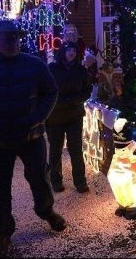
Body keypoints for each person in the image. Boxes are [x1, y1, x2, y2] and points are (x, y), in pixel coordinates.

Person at [0, 20, 65, 259]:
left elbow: (51, 91)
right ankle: (3, 233)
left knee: (40, 178)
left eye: (16, 37)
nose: (12, 41)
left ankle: (46, 211)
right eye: (6, 37)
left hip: (31, 136)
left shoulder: (34, 65)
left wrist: (38, 117)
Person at [47, 41, 91, 193]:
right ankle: (56, 181)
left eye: (74, 50)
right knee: (55, 150)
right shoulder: (52, 69)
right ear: (63, 52)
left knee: (76, 150)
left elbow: (87, 90)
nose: (71, 53)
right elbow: (47, 90)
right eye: (68, 50)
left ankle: (80, 181)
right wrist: (60, 102)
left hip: (74, 115)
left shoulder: (81, 70)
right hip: (55, 116)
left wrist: (76, 100)